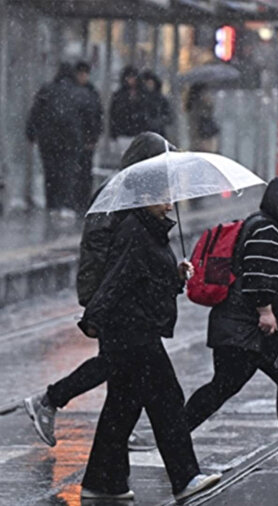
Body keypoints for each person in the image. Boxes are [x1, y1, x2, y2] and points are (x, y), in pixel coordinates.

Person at [24, 133, 177, 450]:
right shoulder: (118, 194)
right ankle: (50, 400)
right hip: (114, 297)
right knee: (118, 363)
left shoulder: (133, 193)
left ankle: (113, 426)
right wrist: (96, 300)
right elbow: (98, 249)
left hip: (121, 295)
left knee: (121, 365)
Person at [75, 169, 220, 501]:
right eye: (165, 199)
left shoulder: (150, 230)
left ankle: (102, 481)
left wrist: (176, 274)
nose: (170, 206)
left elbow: (147, 279)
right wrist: (93, 317)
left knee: (122, 408)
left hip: (137, 330)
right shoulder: (136, 232)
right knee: (167, 402)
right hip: (134, 332)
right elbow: (118, 279)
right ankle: (185, 477)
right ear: (145, 199)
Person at [173, 178, 278, 463]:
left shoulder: (262, 226)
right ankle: (174, 436)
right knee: (227, 385)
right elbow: (259, 274)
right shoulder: (266, 231)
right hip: (249, 330)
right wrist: (265, 311)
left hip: (246, 330)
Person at [26, 62, 95, 218]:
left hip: (48, 139)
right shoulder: (80, 92)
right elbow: (89, 117)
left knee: (51, 172)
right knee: (68, 171)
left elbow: (35, 113)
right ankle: (66, 205)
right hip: (71, 139)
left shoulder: (46, 90)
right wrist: (89, 137)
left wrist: (31, 133)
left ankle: (52, 204)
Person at [74, 61, 104, 215]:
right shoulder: (84, 92)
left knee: (85, 171)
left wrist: (93, 136)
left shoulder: (91, 92)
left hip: (86, 139)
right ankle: (78, 201)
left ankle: (83, 200)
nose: (83, 76)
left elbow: (97, 116)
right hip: (76, 139)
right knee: (78, 171)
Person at [109, 66, 149, 156]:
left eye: (133, 77)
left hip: (139, 132)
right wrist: (114, 134)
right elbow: (113, 115)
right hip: (123, 133)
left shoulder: (143, 95)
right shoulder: (119, 95)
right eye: (129, 77)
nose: (131, 80)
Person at [185, 83, 219, 152]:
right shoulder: (199, 106)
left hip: (200, 138)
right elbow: (204, 118)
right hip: (202, 137)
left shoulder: (193, 105)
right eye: (206, 92)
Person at [141, 70, 172, 138]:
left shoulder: (161, 99)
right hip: (144, 133)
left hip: (159, 133)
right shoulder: (141, 98)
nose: (149, 86)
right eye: (147, 83)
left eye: (150, 83)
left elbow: (169, 116)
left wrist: (157, 122)